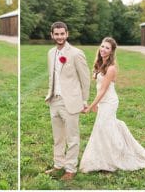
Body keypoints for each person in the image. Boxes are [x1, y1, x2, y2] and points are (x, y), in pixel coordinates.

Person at [79, 37, 145, 173]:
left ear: (112, 51)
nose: (103, 49)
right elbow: (98, 86)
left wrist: (90, 106)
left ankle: (117, 155)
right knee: (106, 127)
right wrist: (96, 104)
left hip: (109, 102)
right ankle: (106, 155)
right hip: (102, 100)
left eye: (107, 48)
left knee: (102, 127)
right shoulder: (99, 63)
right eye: (102, 46)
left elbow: (103, 90)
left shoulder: (112, 68)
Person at [44, 21, 90, 180]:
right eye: (56, 34)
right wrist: (49, 95)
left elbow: (85, 80)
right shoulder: (50, 53)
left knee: (72, 137)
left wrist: (85, 101)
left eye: (62, 34)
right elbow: (52, 76)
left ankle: (70, 169)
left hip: (70, 102)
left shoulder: (76, 53)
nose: (59, 37)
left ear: (67, 34)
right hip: (54, 100)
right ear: (52, 35)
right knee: (58, 137)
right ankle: (58, 165)